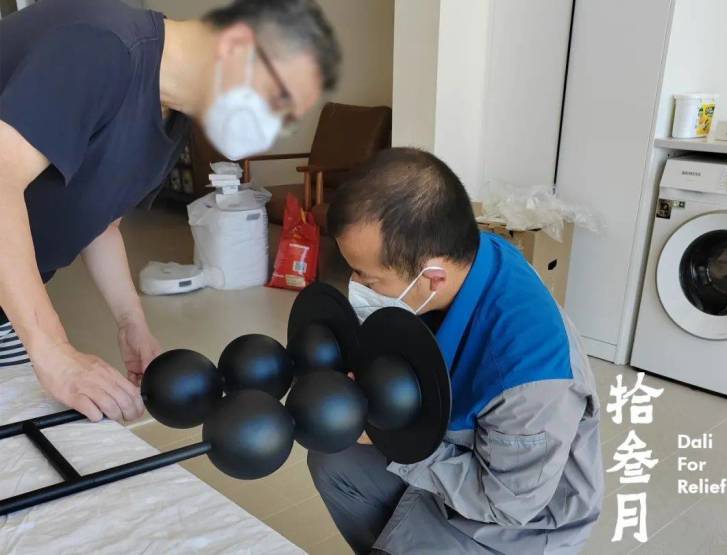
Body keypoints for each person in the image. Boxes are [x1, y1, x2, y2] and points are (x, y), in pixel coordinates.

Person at [0, 0, 340, 421]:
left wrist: (132, 322)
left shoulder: (172, 119)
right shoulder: (101, 46)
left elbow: (100, 224)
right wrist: (53, 349)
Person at [309, 148, 604, 554]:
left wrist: (388, 436)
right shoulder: (470, 255)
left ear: (433, 277)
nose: (357, 286)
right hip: (452, 459)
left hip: (516, 526)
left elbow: (506, 504)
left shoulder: (528, 380)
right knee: (333, 456)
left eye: (369, 279)